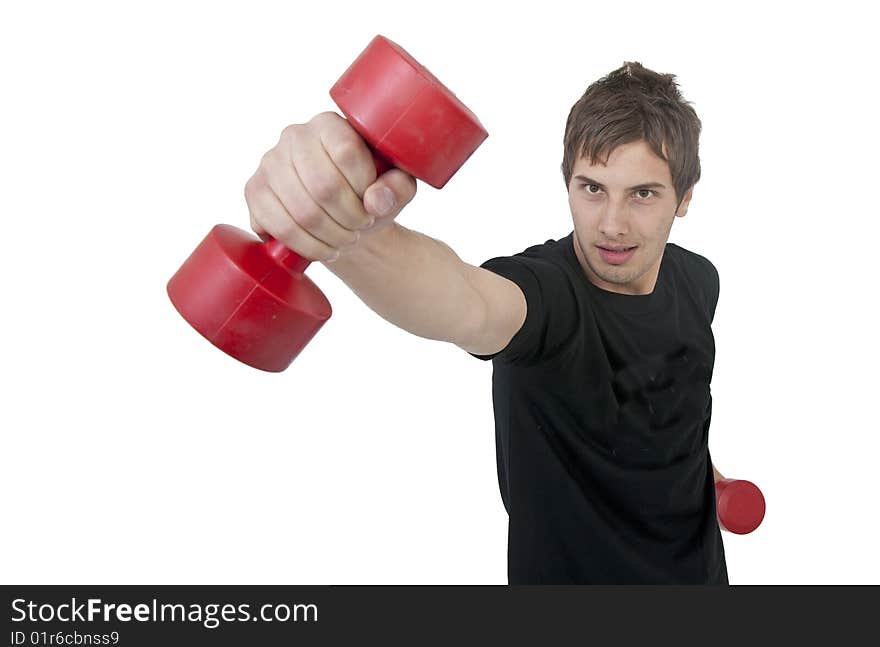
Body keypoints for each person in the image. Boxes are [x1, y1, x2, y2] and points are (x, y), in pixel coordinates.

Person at [245, 61, 729, 584]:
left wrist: (705, 477)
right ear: (566, 181)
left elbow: (669, 403)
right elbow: (468, 300)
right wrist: (337, 225)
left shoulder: (699, 281)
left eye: (642, 194)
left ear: (684, 198)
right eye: (592, 189)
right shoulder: (548, 300)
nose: (611, 225)